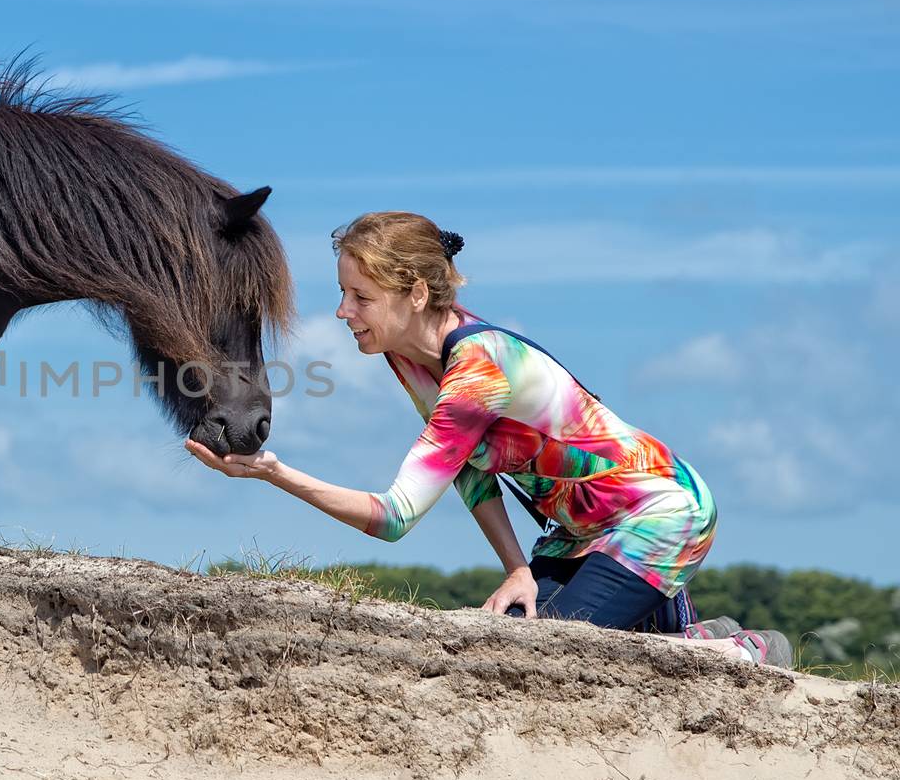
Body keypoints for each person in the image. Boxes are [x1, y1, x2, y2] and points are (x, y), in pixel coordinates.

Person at [186, 211, 791, 667]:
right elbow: (470, 472)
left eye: (360, 297)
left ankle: (740, 653)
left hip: (662, 513)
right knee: (512, 638)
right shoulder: (408, 357)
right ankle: (682, 634)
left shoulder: (477, 369)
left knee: (554, 659)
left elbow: (393, 518)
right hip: (580, 532)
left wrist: (274, 473)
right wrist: (516, 570)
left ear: (416, 294)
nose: (343, 312)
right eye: (344, 294)